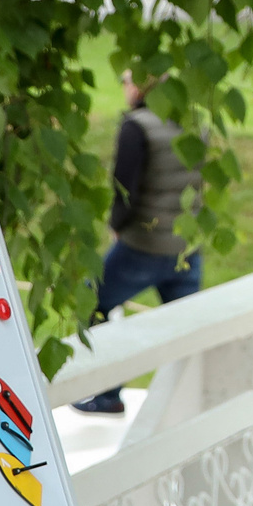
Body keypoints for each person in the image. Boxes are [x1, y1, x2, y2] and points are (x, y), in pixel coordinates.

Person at [72, 73, 205, 412]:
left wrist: (116, 226)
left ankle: (106, 393)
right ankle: (193, 403)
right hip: (187, 249)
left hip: (143, 246)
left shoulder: (138, 126)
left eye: (126, 80)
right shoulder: (197, 125)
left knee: (93, 301)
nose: (124, 87)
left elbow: (124, 189)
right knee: (188, 331)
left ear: (143, 86)